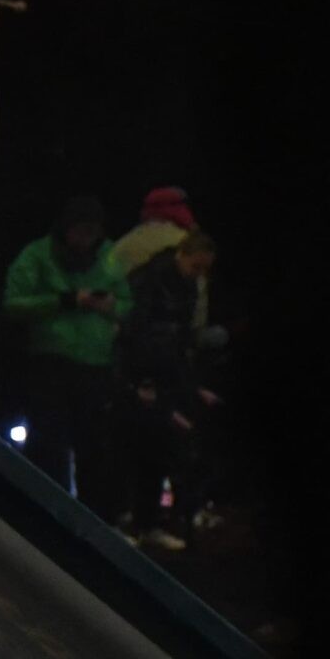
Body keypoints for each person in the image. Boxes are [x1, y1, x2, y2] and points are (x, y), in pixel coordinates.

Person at [2, 195, 133, 507]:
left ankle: (94, 518)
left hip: (95, 366)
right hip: (51, 364)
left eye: (93, 231)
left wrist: (114, 307)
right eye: (82, 230)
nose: (87, 239)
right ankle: (48, 510)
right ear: (67, 228)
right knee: (50, 444)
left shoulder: (109, 256)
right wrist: (65, 301)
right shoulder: (38, 254)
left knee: (95, 448)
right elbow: (12, 304)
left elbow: (129, 303)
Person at [119, 230, 221, 550]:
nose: (199, 274)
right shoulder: (150, 279)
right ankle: (130, 520)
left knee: (161, 450)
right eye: (196, 266)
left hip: (166, 374)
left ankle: (148, 522)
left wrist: (188, 384)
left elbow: (179, 340)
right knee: (136, 448)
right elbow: (135, 330)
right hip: (140, 375)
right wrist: (139, 380)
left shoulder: (187, 286)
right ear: (183, 254)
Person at [110, 184, 211, 336]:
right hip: (172, 340)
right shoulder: (188, 243)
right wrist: (196, 335)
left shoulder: (123, 244)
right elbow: (198, 299)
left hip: (127, 340)